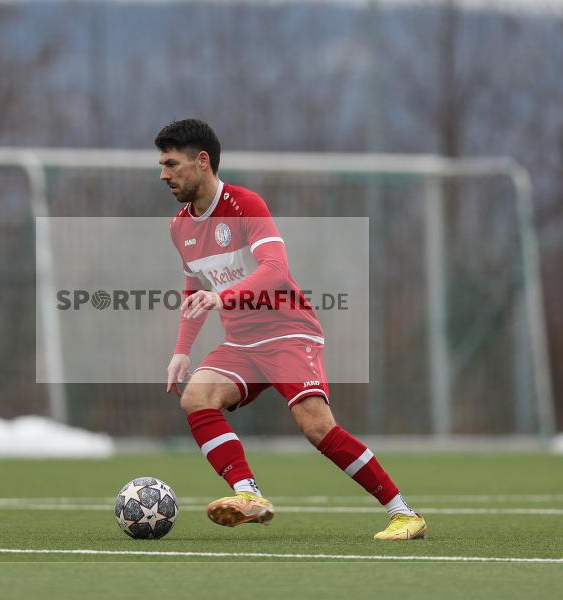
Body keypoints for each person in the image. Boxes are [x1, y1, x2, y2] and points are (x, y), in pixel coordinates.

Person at [157, 118, 426, 540]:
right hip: (242, 344)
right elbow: (194, 292)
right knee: (196, 397)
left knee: (315, 426)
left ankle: (404, 513)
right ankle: (249, 494)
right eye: (162, 165)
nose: (164, 174)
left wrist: (221, 297)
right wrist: (180, 351)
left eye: (172, 164)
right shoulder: (179, 227)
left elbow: (276, 271)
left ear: (202, 162)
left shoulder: (246, 204)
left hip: (289, 332)